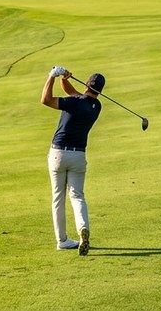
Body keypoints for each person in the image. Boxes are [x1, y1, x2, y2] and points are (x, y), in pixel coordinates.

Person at [41, 66, 104, 255]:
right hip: (78, 156)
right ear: (100, 91)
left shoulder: (75, 102)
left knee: (58, 198)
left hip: (58, 154)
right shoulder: (95, 107)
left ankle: (62, 241)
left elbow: (46, 100)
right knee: (77, 195)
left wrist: (51, 77)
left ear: (86, 84)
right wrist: (65, 79)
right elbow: (74, 93)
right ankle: (83, 228)